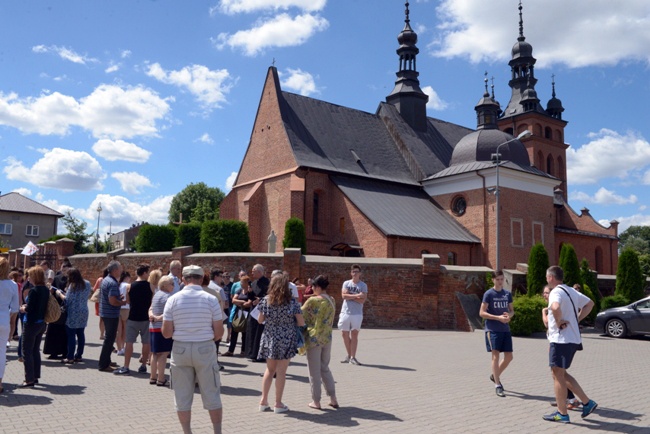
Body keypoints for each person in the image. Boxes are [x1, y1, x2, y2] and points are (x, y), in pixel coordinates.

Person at [162, 265, 224, 434]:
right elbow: (219, 333)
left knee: (182, 397)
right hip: (204, 346)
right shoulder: (211, 299)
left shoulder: (173, 300)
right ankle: (217, 431)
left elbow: (166, 333)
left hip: (180, 348)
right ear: (202, 278)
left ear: (183, 279)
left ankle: (187, 432)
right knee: (212, 394)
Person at [543, 266, 598, 423]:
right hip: (572, 339)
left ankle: (562, 413)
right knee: (560, 374)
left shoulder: (555, 292)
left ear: (551, 278)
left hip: (561, 339)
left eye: (547, 277)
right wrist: (577, 319)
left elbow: (554, 307)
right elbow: (590, 304)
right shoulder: (571, 291)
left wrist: (559, 321)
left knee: (557, 374)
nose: (547, 279)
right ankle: (587, 403)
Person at [257, 273, 304, 413]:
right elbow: (301, 322)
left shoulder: (266, 300)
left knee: (269, 370)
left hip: (270, 336)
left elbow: (260, 320)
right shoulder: (292, 302)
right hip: (286, 337)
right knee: (281, 372)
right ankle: (278, 403)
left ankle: (263, 401)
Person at [301, 275, 339, 410]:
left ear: (317, 287)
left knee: (314, 371)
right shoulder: (331, 300)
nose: (311, 289)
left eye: (312, 287)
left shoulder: (313, 301)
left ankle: (316, 401)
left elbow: (300, 315)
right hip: (327, 337)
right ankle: (333, 398)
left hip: (314, 338)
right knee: (324, 368)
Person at [542, 285, 579, 410]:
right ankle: (563, 400)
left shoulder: (555, 307)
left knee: (560, 374)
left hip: (561, 343)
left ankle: (573, 400)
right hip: (554, 342)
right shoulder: (551, 307)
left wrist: (544, 313)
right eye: (544, 293)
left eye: (547, 293)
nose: (545, 295)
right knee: (557, 374)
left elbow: (547, 323)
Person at [479, 270, 514, 398]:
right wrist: (497, 317)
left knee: (509, 357)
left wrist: (508, 316)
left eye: (502, 279)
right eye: (498, 279)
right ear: (493, 280)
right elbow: (482, 313)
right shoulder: (489, 294)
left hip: (505, 329)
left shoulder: (507, 294)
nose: (500, 282)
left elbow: (511, 311)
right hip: (492, 328)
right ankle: (498, 385)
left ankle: (495, 375)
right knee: (495, 356)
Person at [115, 264, 152, 375]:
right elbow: (152, 301)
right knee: (146, 342)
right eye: (148, 272)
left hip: (133, 317)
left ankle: (126, 366)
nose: (149, 274)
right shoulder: (151, 286)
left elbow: (127, 301)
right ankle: (143, 365)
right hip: (145, 318)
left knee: (129, 342)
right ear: (144, 273)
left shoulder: (129, 287)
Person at [19, 266, 49, 387]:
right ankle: (35, 376)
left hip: (31, 323)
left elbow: (29, 308)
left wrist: (22, 308)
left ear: (35, 277)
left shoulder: (34, 290)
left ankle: (29, 379)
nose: (28, 278)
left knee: (27, 351)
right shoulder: (45, 289)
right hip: (41, 323)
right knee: (35, 350)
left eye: (30, 275)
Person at [56, 267, 92, 364]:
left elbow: (67, 300)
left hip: (73, 312)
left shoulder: (72, 286)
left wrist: (59, 293)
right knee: (81, 334)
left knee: (71, 335)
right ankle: (79, 355)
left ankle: (70, 357)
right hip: (84, 311)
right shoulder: (87, 283)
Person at [98, 261, 126, 372]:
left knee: (109, 339)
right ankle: (103, 364)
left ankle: (107, 361)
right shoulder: (113, 283)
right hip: (111, 314)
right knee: (109, 339)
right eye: (120, 269)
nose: (121, 271)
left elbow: (111, 297)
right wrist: (122, 302)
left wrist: (118, 298)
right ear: (115, 271)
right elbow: (112, 301)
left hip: (105, 313)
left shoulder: (106, 280)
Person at [338, 264, 368, 365]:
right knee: (344, 334)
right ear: (351, 273)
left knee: (354, 334)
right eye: (353, 271)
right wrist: (357, 296)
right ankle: (349, 355)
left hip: (357, 313)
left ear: (360, 273)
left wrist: (351, 296)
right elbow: (344, 296)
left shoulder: (363, 285)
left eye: (357, 271)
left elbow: (362, 300)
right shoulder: (346, 283)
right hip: (345, 312)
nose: (355, 273)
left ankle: (353, 357)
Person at [148, 275, 174, 386]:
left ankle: (153, 377)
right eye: (171, 284)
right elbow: (170, 313)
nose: (173, 286)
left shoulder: (156, 295)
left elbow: (150, 308)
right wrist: (159, 318)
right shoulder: (168, 297)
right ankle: (161, 378)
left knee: (154, 353)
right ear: (165, 285)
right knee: (163, 354)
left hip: (153, 327)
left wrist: (152, 316)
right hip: (163, 328)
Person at [0, 258, 20, 393]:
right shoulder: (12, 285)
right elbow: (15, 309)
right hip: (3, 320)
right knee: (1, 353)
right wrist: (12, 325)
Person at [222, 275, 252, 357]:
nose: (241, 283)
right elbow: (233, 300)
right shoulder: (239, 290)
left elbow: (249, 303)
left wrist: (240, 303)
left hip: (246, 313)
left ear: (246, 283)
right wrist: (242, 301)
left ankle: (243, 351)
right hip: (238, 312)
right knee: (234, 330)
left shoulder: (250, 291)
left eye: (242, 282)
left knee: (244, 332)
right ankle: (230, 351)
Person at [245, 264, 269, 361]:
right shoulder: (254, 283)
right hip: (253, 310)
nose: (252, 273)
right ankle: (251, 353)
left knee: (259, 332)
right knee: (251, 330)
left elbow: (269, 296)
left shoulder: (267, 283)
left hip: (262, 311)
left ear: (259, 272)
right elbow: (251, 297)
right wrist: (250, 292)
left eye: (253, 271)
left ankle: (260, 354)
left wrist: (261, 299)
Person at [116, 271, 131, 356]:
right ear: (127, 277)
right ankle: (123, 347)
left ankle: (119, 349)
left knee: (119, 330)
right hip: (126, 308)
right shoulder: (128, 285)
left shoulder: (117, 285)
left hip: (118, 308)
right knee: (125, 329)